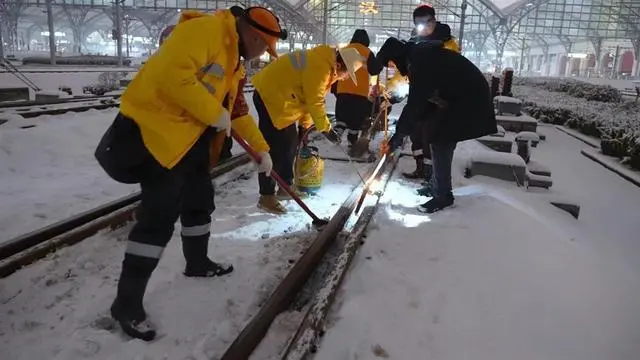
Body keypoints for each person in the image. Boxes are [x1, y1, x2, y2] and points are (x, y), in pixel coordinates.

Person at [95, 6, 286, 341]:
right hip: (155, 136)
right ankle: (126, 304)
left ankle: (197, 263)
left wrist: (262, 150)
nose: (262, 56)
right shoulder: (205, 32)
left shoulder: (234, 60)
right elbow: (172, 76)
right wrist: (214, 112)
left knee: (200, 201)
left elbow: (236, 111)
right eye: (265, 49)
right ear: (254, 36)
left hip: (191, 140)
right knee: (158, 219)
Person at [377, 37, 497, 213]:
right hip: (455, 97)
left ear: (397, 56)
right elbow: (422, 102)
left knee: (442, 138)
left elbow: (415, 105)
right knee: (432, 131)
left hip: (469, 99)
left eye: (392, 64)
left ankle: (443, 196)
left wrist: (396, 139)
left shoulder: (419, 61)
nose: (394, 68)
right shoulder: (418, 57)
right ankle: (435, 186)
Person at [251, 45, 365, 214]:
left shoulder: (326, 66)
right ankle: (266, 197)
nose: (346, 77)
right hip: (271, 97)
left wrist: (304, 126)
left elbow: (306, 99)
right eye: (348, 73)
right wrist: (326, 129)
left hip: (284, 100)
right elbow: (315, 101)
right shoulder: (320, 66)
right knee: (274, 149)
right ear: (340, 65)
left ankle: (285, 187)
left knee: (289, 146)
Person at [402, 4, 461, 181]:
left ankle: (431, 177)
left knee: (431, 138)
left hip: (437, 101)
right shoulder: (414, 43)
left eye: (425, 23)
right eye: (418, 24)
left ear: (433, 21)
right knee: (416, 135)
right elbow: (406, 70)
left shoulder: (447, 43)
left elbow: (452, 72)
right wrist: (391, 91)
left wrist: (440, 94)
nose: (422, 27)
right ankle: (420, 168)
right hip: (419, 97)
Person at [333, 29, 380, 147]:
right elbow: (374, 70)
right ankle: (352, 140)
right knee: (356, 117)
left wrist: (335, 89)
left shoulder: (343, 50)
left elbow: (334, 68)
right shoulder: (367, 52)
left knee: (342, 114)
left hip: (342, 88)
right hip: (360, 92)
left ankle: (338, 131)